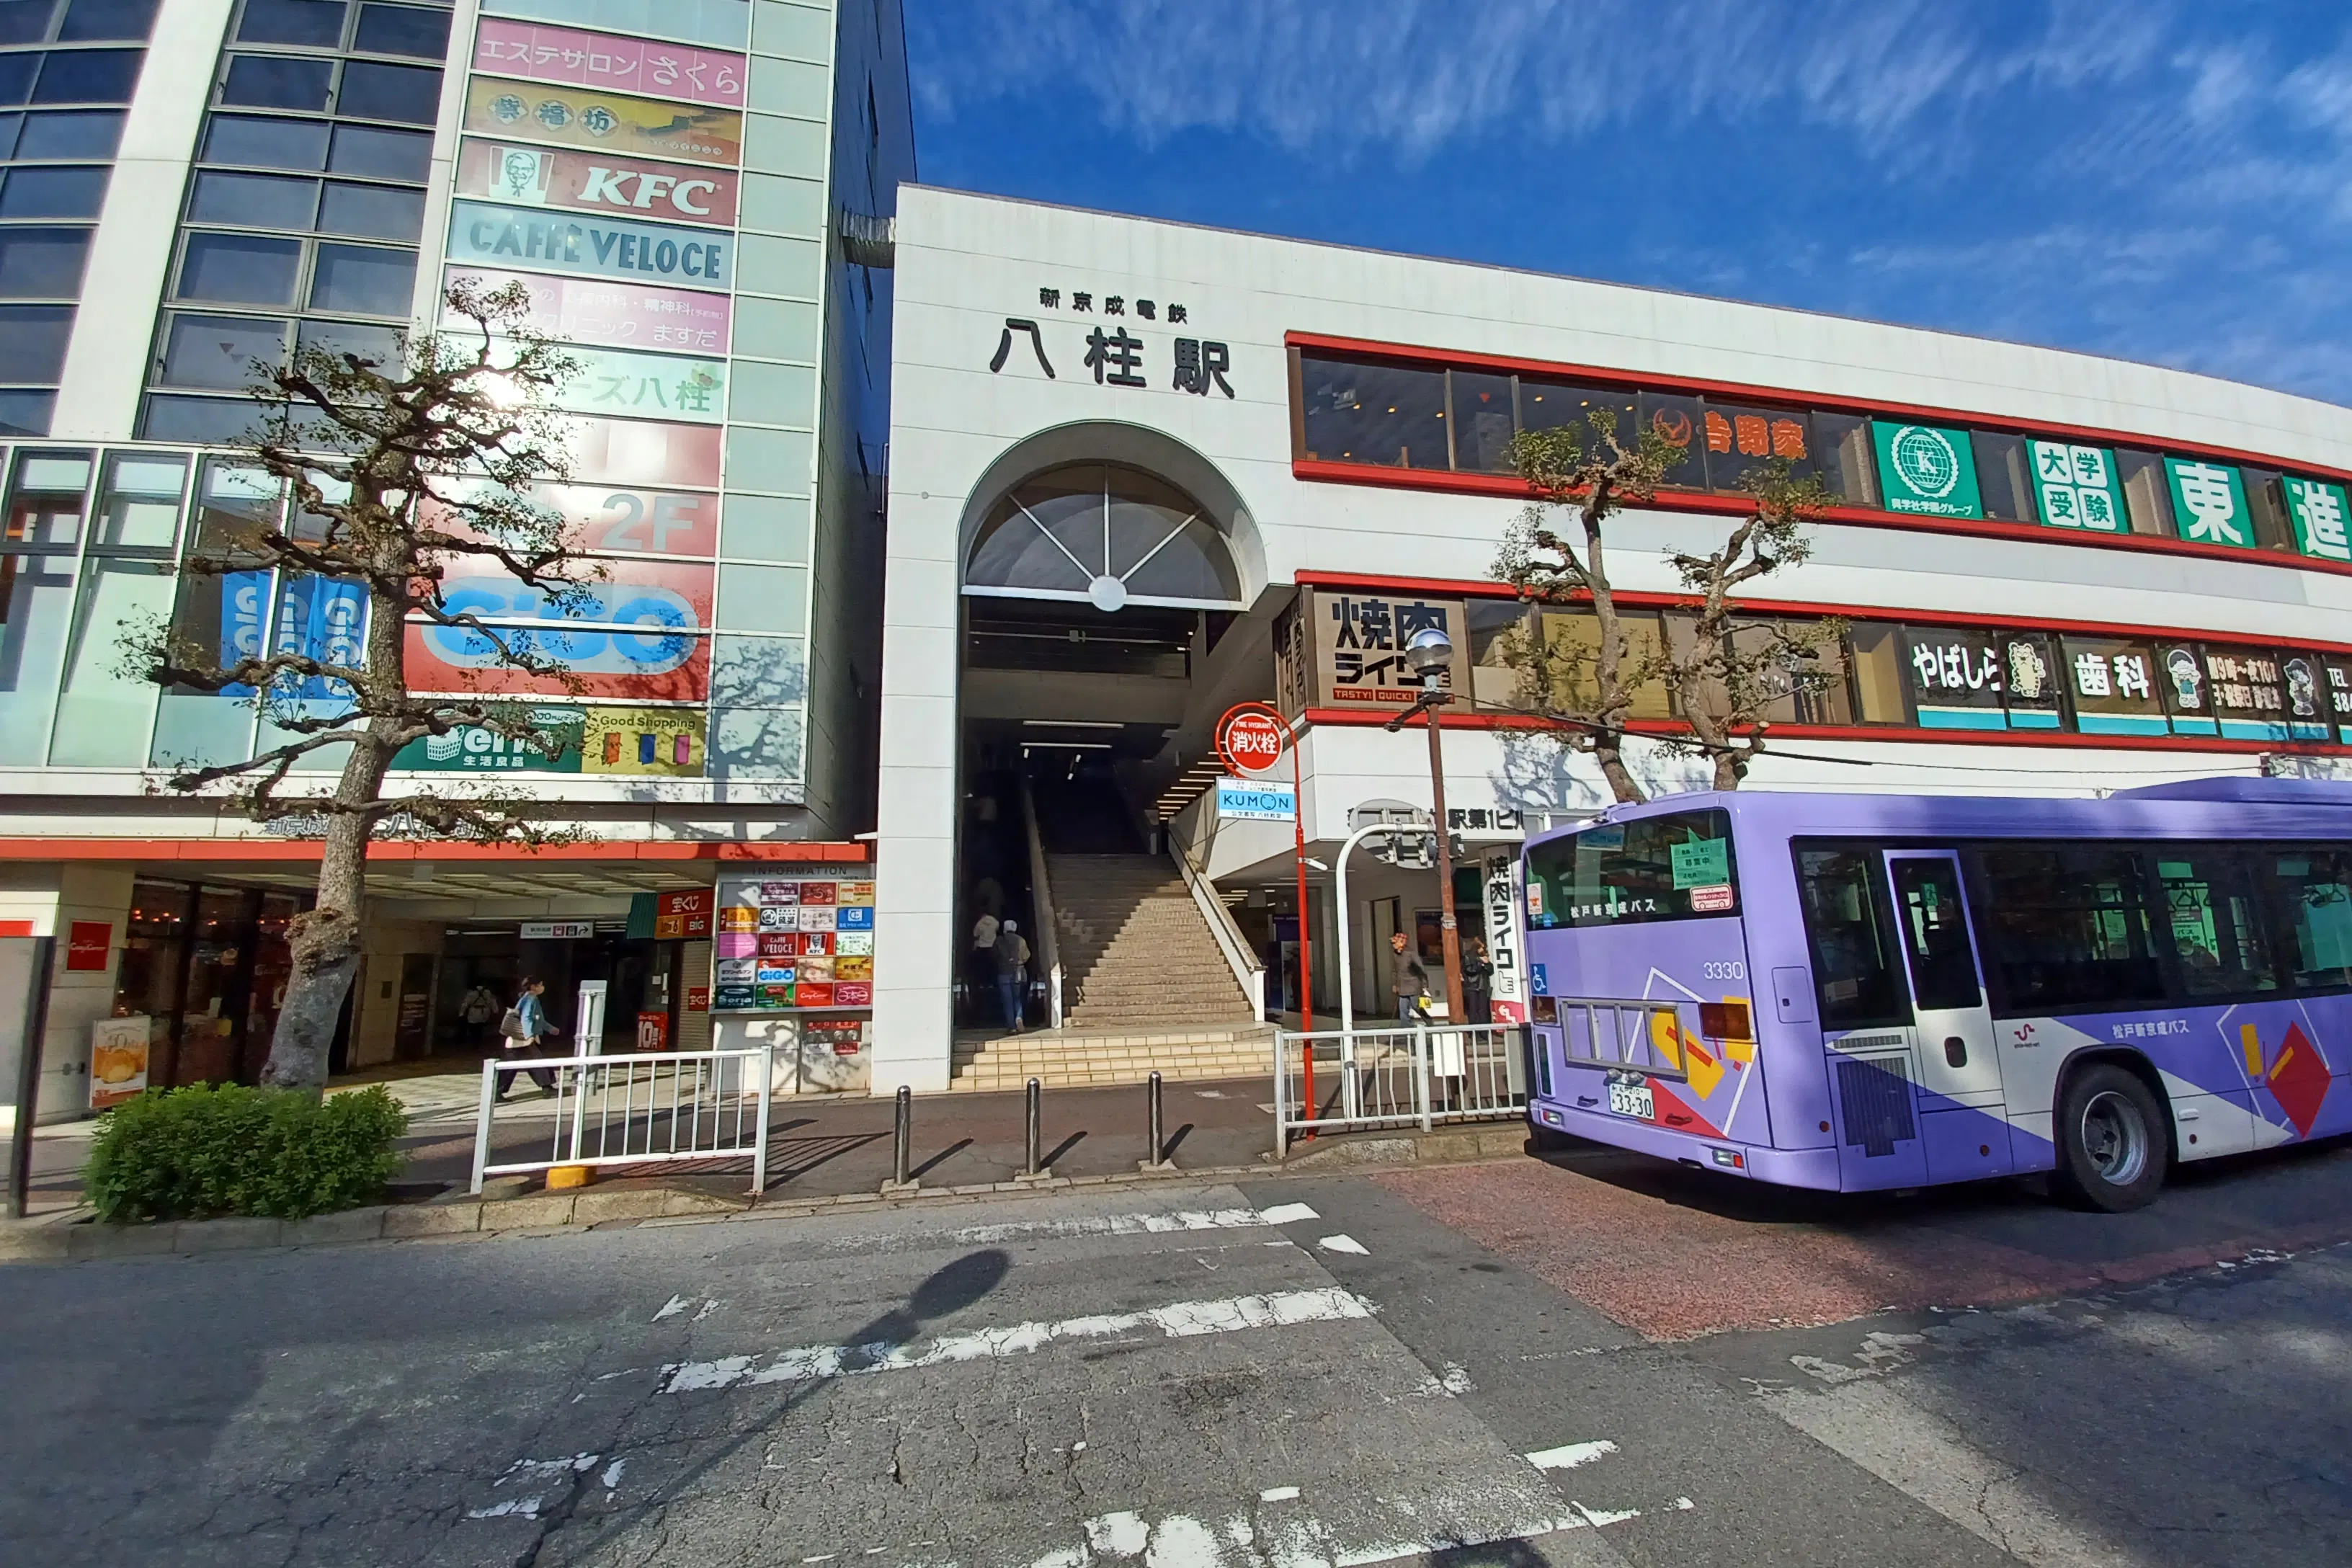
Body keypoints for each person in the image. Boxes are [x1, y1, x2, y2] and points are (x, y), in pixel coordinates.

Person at [494, 977, 560, 1099]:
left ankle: (497, 1092)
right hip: (523, 1040)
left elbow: (538, 1020)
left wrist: (551, 1029)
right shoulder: (531, 999)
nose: (542, 987)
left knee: (511, 1067)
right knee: (537, 1063)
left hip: (517, 1040)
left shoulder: (527, 998)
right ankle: (547, 1088)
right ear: (534, 986)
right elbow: (526, 1018)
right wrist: (529, 1036)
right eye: (541, 984)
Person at [993, 918, 1032, 1033]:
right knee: (1017, 998)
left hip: (1004, 972)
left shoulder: (999, 940)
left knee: (1007, 1000)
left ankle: (1011, 1027)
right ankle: (1019, 1018)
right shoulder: (1021, 940)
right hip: (1018, 972)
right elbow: (1027, 955)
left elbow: (994, 955)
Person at [1389, 930, 1430, 1024]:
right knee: (1403, 1009)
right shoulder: (1396, 954)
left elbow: (1421, 969)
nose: (1393, 944)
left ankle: (1429, 1021)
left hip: (1413, 984)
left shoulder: (1410, 953)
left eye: (1395, 942)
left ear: (1401, 943)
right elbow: (1396, 971)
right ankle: (1406, 1029)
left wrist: (1424, 984)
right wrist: (1396, 984)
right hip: (1402, 985)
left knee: (1416, 1006)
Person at [969, 907, 1001, 1023]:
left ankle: (983, 983)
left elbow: (975, 934)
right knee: (993, 966)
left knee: (983, 966)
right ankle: (993, 982)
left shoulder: (980, 923)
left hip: (982, 947)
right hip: (993, 946)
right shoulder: (994, 921)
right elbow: (997, 928)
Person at [1461, 937, 1494, 1026]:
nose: (1483, 950)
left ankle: (1484, 1031)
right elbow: (1470, 970)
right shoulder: (1468, 957)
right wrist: (1480, 963)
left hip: (1483, 986)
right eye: (1482, 948)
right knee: (1473, 1009)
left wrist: (1487, 964)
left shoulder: (1484, 958)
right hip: (1472, 986)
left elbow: (1491, 972)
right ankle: (1474, 1031)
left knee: (1483, 1009)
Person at [458, 981, 500, 1047]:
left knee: (473, 1027)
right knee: (480, 1026)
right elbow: (493, 1002)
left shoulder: (471, 993)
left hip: (474, 1011)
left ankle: (475, 1041)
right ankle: (479, 1040)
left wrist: (461, 1013)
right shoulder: (488, 992)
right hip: (485, 1011)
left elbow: (465, 1004)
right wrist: (495, 1011)